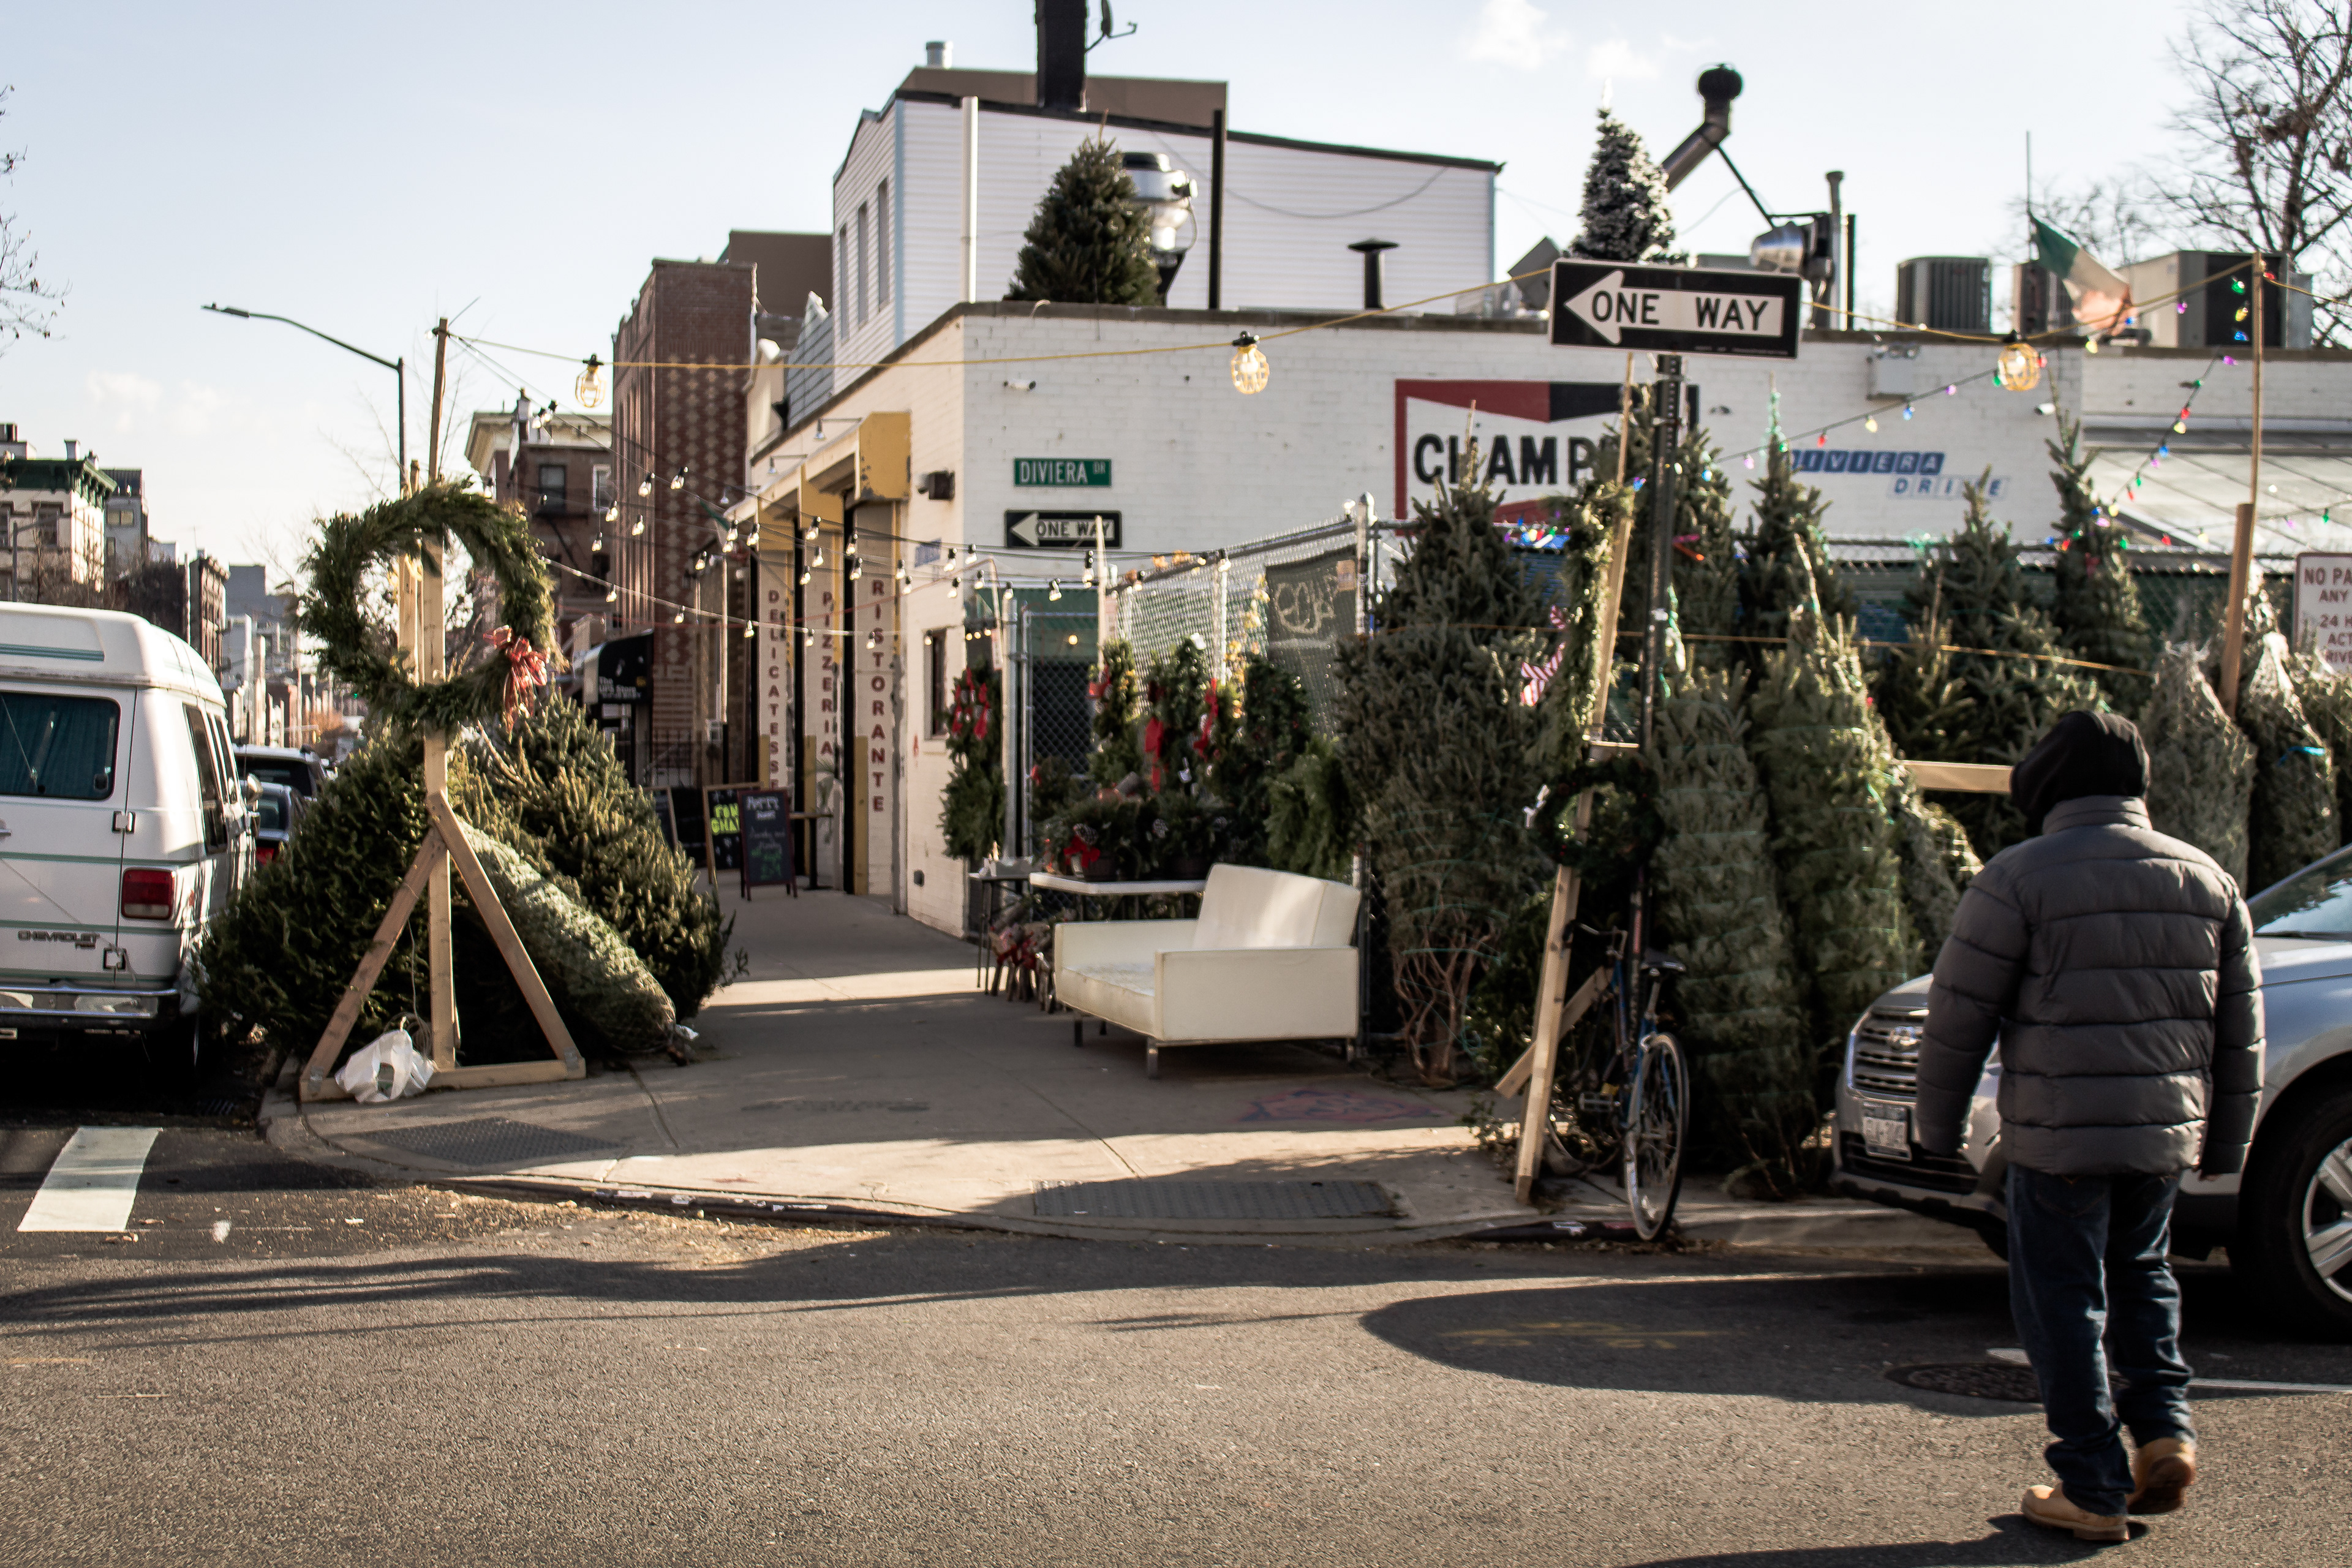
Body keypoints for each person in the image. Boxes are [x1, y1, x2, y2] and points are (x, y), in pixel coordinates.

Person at [1915, 710, 2263, 1543]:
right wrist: (2225, 1146)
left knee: (2062, 1302)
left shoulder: (2019, 877)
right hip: (2159, 1140)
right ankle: (2166, 1433)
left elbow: (1959, 1017)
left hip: (2059, 1138)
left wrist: (1936, 1130)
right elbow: (2238, 1036)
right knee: (2143, 1275)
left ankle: (2092, 1485)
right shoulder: (2207, 879)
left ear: (2051, 780)